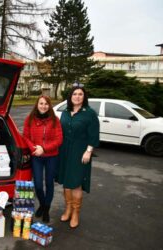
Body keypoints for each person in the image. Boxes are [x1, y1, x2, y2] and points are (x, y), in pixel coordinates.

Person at [57, 84, 100, 229]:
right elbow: (59, 131)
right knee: (66, 182)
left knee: (76, 183)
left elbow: (94, 135)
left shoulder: (89, 113)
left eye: (80, 94)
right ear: (70, 97)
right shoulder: (65, 112)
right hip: (64, 151)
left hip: (80, 152)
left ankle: (76, 213)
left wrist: (88, 151)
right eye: (74, 94)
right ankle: (68, 208)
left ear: (84, 97)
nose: (77, 96)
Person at [22, 95, 63, 223]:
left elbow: (59, 140)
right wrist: (34, 149)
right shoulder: (30, 119)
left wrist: (44, 149)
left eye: (46, 104)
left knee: (49, 183)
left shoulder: (55, 120)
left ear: (49, 106)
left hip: (51, 156)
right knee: (38, 185)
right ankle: (42, 204)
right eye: (41, 103)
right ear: (37, 104)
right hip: (37, 156)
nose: (43, 106)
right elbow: (26, 136)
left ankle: (46, 209)